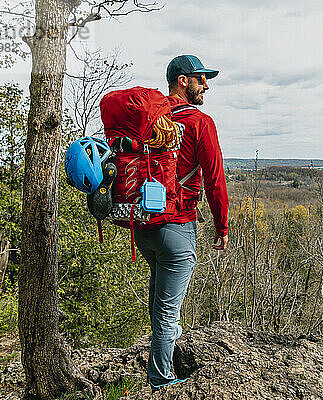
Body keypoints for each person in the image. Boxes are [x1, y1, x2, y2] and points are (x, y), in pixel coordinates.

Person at [133, 54, 229, 392]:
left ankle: (166, 361)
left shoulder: (150, 120)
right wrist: (222, 225)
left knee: (160, 300)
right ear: (182, 81)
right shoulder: (200, 122)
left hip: (143, 225)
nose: (207, 85)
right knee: (167, 312)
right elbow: (215, 179)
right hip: (177, 226)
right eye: (201, 78)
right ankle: (160, 381)